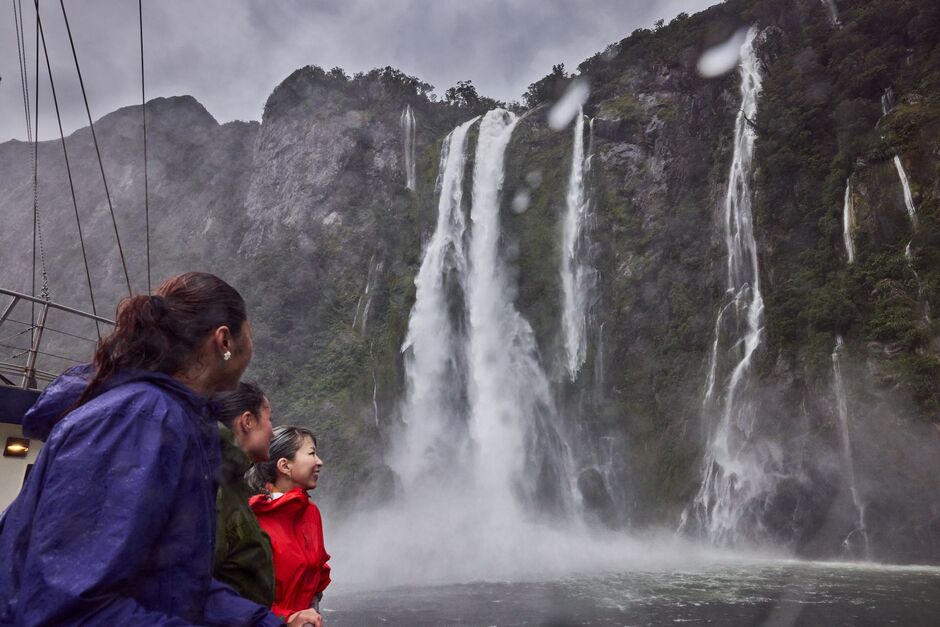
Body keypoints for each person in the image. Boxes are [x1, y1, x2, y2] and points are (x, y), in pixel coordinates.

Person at [0, 272, 321, 627]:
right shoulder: (138, 421)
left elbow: (174, 584)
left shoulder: (174, 419)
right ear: (224, 340)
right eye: (250, 333)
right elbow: (71, 608)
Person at [248, 426, 331, 621]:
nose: (320, 462)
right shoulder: (252, 516)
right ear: (285, 466)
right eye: (312, 453)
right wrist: (287, 619)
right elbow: (243, 593)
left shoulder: (311, 512)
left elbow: (318, 576)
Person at [212, 381, 277, 606]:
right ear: (247, 421)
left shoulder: (232, 481)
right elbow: (197, 588)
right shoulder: (215, 488)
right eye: (270, 419)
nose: (272, 431)